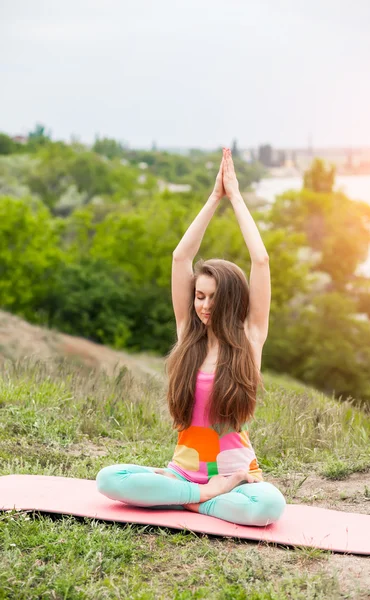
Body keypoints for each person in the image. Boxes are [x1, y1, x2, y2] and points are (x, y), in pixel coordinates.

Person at [96, 148, 286, 527]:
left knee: (268, 507)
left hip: (237, 479)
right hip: (184, 475)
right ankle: (199, 498)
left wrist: (235, 196)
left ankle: (189, 501)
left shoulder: (249, 341)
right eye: (199, 295)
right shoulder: (188, 337)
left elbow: (261, 260)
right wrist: (213, 197)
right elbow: (181, 257)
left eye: (213, 297)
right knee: (108, 479)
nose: (203, 305)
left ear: (231, 299)